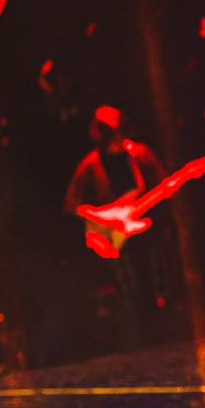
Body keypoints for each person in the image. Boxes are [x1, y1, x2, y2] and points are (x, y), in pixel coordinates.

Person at [64, 106, 169, 344]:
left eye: (118, 131)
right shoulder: (92, 164)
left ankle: (164, 337)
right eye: (110, 134)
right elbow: (72, 203)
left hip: (148, 231)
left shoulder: (139, 154)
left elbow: (162, 184)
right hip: (118, 237)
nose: (116, 138)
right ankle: (144, 340)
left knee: (159, 286)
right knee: (132, 292)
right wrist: (102, 216)